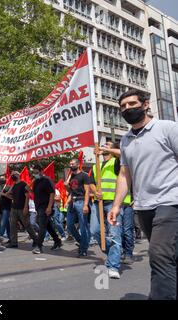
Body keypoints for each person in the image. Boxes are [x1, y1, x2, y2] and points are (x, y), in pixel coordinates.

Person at [108, 89, 178, 300]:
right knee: (170, 255)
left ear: (146, 104)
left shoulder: (167, 128)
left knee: (159, 256)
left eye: (132, 104)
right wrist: (116, 205)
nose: (127, 109)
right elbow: (124, 175)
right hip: (143, 206)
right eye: (123, 107)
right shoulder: (126, 140)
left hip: (170, 202)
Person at [89, 141, 131, 279]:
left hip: (113, 204)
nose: (103, 146)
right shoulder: (96, 165)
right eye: (103, 145)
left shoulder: (117, 162)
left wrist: (102, 148)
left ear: (113, 149)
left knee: (114, 235)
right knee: (94, 231)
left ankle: (113, 265)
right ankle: (115, 252)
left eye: (107, 145)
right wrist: (96, 193)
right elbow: (91, 183)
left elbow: (123, 153)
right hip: (98, 203)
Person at [31, 164, 62, 254]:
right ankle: (57, 241)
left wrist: (49, 207)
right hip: (38, 206)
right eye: (34, 172)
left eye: (37, 172)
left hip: (45, 206)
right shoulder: (36, 181)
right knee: (47, 225)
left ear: (41, 171)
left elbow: (52, 193)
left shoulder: (47, 180)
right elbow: (35, 193)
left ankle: (39, 246)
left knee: (42, 226)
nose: (35, 174)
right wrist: (29, 189)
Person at [4, 171, 39, 250]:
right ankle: (14, 243)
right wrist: (9, 195)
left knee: (27, 225)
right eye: (11, 175)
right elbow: (8, 194)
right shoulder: (14, 185)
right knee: (12, 225)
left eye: (13, 175)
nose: (12, 176)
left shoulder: (23, 184)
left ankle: (36, 240)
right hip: (14, 208)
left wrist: (26, 207)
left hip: (22, 208)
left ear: (18, 175)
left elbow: (27, 196)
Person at [65, 158, 91, 257]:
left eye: (73, 164)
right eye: (70, 164)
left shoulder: (84, 175)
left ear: (78, 164)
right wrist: (66, 185)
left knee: (83, 226)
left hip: (81, 201)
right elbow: (71, 191)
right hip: (72, 202)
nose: (71, 165)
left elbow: (87, 191)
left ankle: (83, 249)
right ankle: (81, 241)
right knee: (70, 224)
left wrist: (85, 205)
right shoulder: (71, 176)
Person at [0, 175, 12, 241]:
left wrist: (5, 194)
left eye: (3, 178)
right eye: (1, 179)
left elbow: (11, 196)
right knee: (6, 223)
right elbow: (0, 193)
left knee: (3, 222)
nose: (2, 179)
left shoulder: (9, 187)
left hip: (7, 207)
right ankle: (10, 238)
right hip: (0, 207)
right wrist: (6, 194)